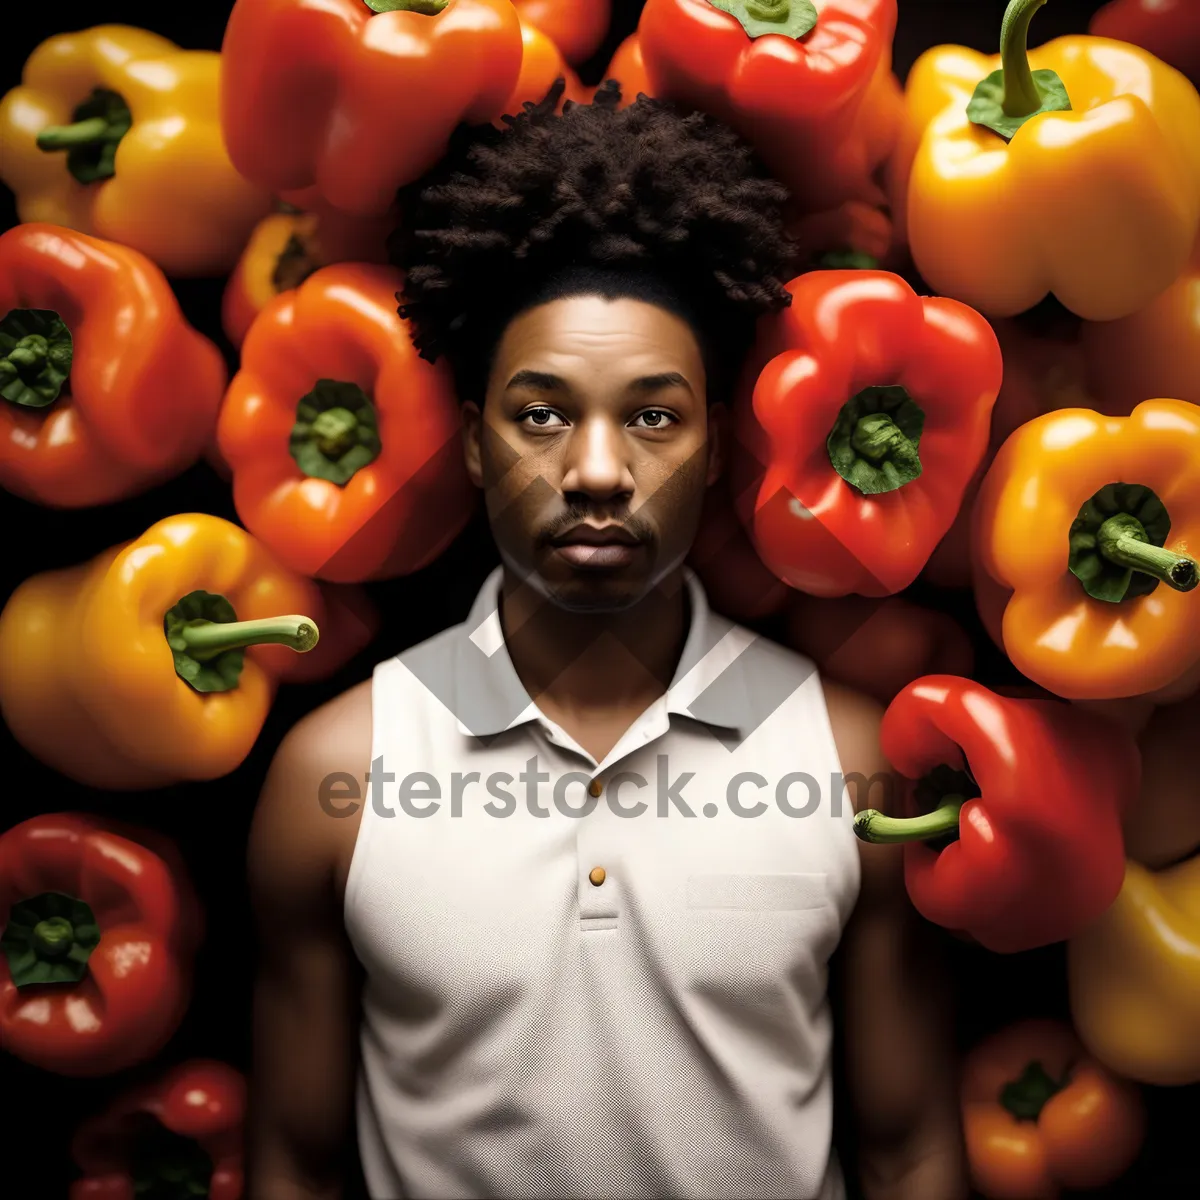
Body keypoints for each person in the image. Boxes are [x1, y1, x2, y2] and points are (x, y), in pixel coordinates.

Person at [246, 79, 967, 1200]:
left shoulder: (853, 764)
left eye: (652, 415)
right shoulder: (332, 776)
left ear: (719, 448)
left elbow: (912, 1149)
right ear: (476, 447)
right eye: (539, 414)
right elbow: (296, 1163)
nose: (594, 471)